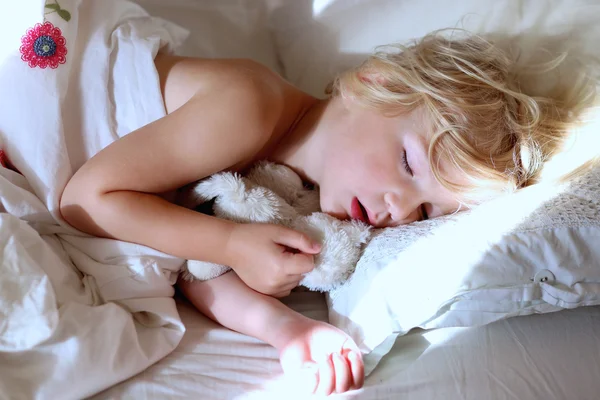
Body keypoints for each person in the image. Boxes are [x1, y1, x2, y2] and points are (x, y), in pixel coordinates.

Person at [59, 30, 596, 395]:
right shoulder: (248, 106)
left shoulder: (304, 195)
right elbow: (87, 201)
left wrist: (288, 331)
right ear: (373, 85)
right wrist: (226, 242)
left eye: (428, 210)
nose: (397, 209)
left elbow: (190, 267)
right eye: (407, 162)